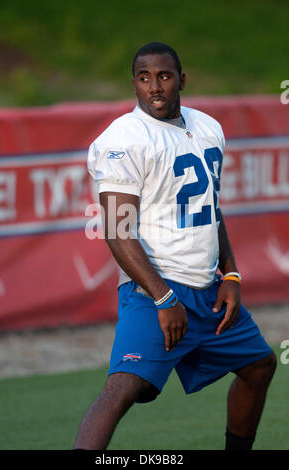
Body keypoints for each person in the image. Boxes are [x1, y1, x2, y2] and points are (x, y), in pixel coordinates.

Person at [74, 42, 276, 451]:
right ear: (133, 83)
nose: (155, 87)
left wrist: (231, 273)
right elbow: (117, 229)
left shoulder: (208, 127)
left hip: (206, 288)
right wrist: (164, 298)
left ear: (182, 79)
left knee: (260, 366)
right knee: (126, 388)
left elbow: (210, 210)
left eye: (164, 76)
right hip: (155, 287)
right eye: (144, 78)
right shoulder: (124, 138)